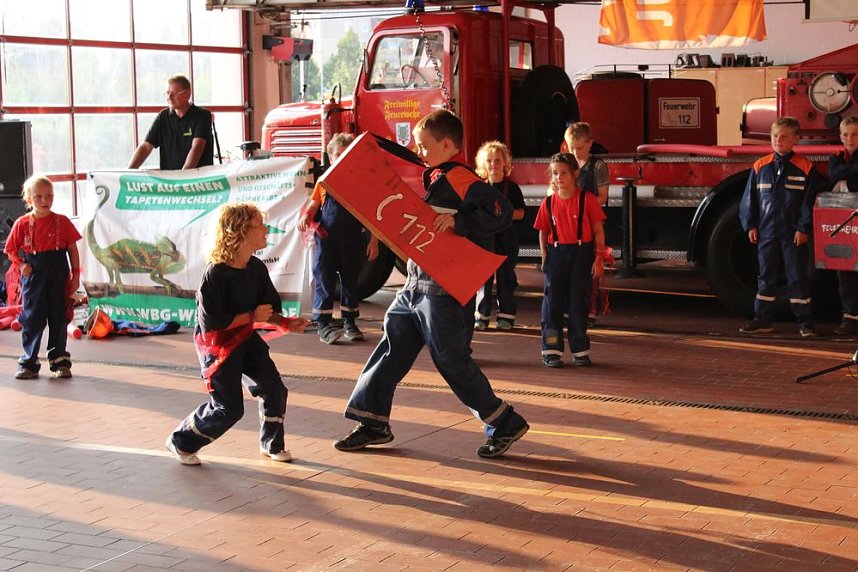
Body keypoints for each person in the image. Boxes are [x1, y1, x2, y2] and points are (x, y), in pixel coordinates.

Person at [332, 110, 529, 459]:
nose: (418, 151)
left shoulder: (460, 178)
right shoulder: (440, 175)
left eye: (424, 146)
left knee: (451, 360)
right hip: (415, 284)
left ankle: (504, 422)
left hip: (443, 288)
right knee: (391, 349)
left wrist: (459, 219)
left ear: (447, 145)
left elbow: (499, 210)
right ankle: (372, 421)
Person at [166, 203, 308, 466]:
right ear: (240, 231)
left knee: (274, 389)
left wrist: (286, 323)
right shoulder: (216, 274)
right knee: (229, 409)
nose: (266, 230)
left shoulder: (256, 268)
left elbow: (266, 310)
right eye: (259, 225)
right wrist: (251, 317)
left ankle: (271, 444)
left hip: (246, 339)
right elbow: (213, 324)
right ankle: (181, 441)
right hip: (219, 348)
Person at [739, 117, 820, 337]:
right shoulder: (760, 166)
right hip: (766, 232)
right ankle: (762, 319)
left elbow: (809, 203)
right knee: (766, 275)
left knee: (797, 276)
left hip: (793, 234)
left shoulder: (805, 167)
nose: (778, 140)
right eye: (775, 135)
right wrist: (751, 225)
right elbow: (750, 199)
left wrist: (804, 229)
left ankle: (805, 322)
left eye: (784, 136)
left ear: (796, 139)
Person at [297, 133, 379, 344]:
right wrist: (306, 216)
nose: (342, 159)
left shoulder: (360, 183)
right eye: (338, 155)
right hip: (327, 240)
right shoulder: (323, 182)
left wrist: (374, 241)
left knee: (351, 280)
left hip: (352, 240)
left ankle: (349, 321)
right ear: (330, 157)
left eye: (347, 155)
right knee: (324, 279)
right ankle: (323, 323)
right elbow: (314, 205)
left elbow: (371, 215)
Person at [4, 175, 81, 379]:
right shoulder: (21, 224)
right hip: (35, 275)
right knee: (32, 317)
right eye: (38, 197)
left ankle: (59, 361)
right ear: (29, 200)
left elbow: (72, 249)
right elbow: (10, 249)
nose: (44, 201)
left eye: (48, 196)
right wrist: (21, 265)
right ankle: (29, 362)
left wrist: (76, 274)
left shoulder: (62, 222)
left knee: (59, 315)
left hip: (58, 274)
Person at [535, 153, 606, 369]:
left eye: (564, 173)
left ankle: (580, 349)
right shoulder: (547, 203)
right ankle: (551, 350)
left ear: (575, 174)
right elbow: (542, 231)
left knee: (579, 303)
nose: (559, 177)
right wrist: (544, 255)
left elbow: (598, 231)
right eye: (555, 173)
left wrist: (599, 258)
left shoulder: (588, 200)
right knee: (552, 303)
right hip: (556, 255)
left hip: (581, 254)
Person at [473, 141, 525, 331]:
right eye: (489, 161)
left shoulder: (512, 188)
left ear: (505, 163)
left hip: (506, 239)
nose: (493, 164)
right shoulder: (479, 188)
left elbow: (521, 213)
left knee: (506, 277)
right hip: (485, 239)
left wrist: (500, 215)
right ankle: (481, 316)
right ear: (483, 164)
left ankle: (506, 317)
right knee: (482, 278)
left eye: (497, 160)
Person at [564, 122, 610, 326]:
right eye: (571, 148)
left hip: (590, 221)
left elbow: (603, 196)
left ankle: (591, 309)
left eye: (580, 148)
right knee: (570, 264)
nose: (576, 152)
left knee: (591, 265)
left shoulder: (597, 166)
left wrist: (582, 206)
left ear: (590, 144)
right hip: (569, 222)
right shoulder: (566, 165)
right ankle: (572, 307)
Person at [127, 74, 214, 170]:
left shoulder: (202, 116)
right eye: (167, 93)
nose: (169, 97)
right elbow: (146, 146)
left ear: (187, 94)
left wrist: (182, 177)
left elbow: (197, 148)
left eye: (174, 93)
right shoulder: (163, 117)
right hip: (169, 182)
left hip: (197, 181)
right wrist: (128, 172)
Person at [828, 116, 858, 335]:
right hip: (845, 224)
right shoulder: (836, 158)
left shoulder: (839, 161)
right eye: (846, 134)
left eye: (855, 134)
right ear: (840, 136)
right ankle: (850, 317)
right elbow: (833, 175)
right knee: (845, 269)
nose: (850, 138)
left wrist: (845, 178)